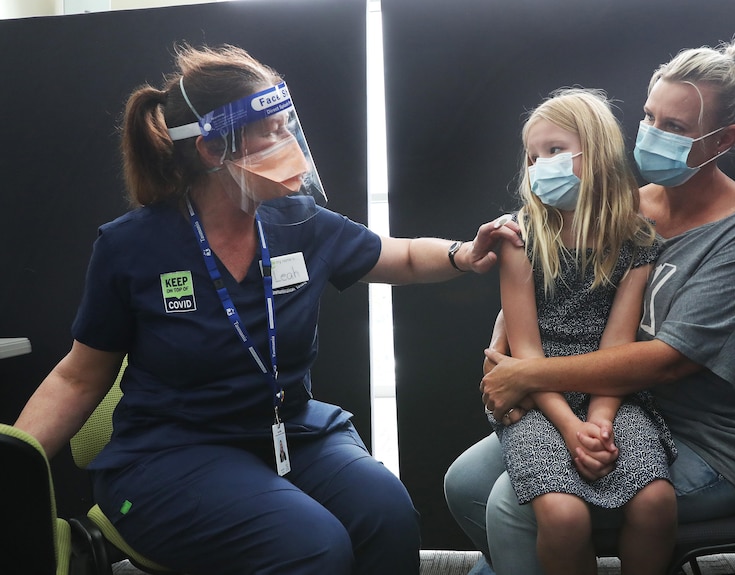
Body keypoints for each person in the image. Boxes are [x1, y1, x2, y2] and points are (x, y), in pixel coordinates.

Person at [13, 43, 517, 575]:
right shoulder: (131, 248)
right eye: (271, 131)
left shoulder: (297, 222)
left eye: (287, 126)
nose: (290, 143)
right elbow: (78, 378)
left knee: (387, 512)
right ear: (211, 149)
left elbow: (406, 257)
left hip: (290, 431)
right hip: (172, 454)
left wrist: (465, 253)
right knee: (313, 544)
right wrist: (14, 465)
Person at [445, 33, 735, 575]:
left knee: (517, 510)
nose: (652, 136)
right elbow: (550, 286)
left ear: (723, 141)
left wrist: (527, 377)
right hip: (599, 401)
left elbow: (672, 360)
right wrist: (501, 355)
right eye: (649, 118)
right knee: (464, 483)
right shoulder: (632, 205)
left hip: (705, 439)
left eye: (675, 128)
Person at [490, 87, 676, 575]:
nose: (539, 165)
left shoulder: (638, 240)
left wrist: (600, 422)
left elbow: (619, 345)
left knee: (655, 501)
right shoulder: (519, 236)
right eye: (532, 157)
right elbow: (525, 352)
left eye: (553, 151)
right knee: (563, 513)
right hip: (534, 397)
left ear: (595, 152)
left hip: (612, 393)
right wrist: (572, 429)